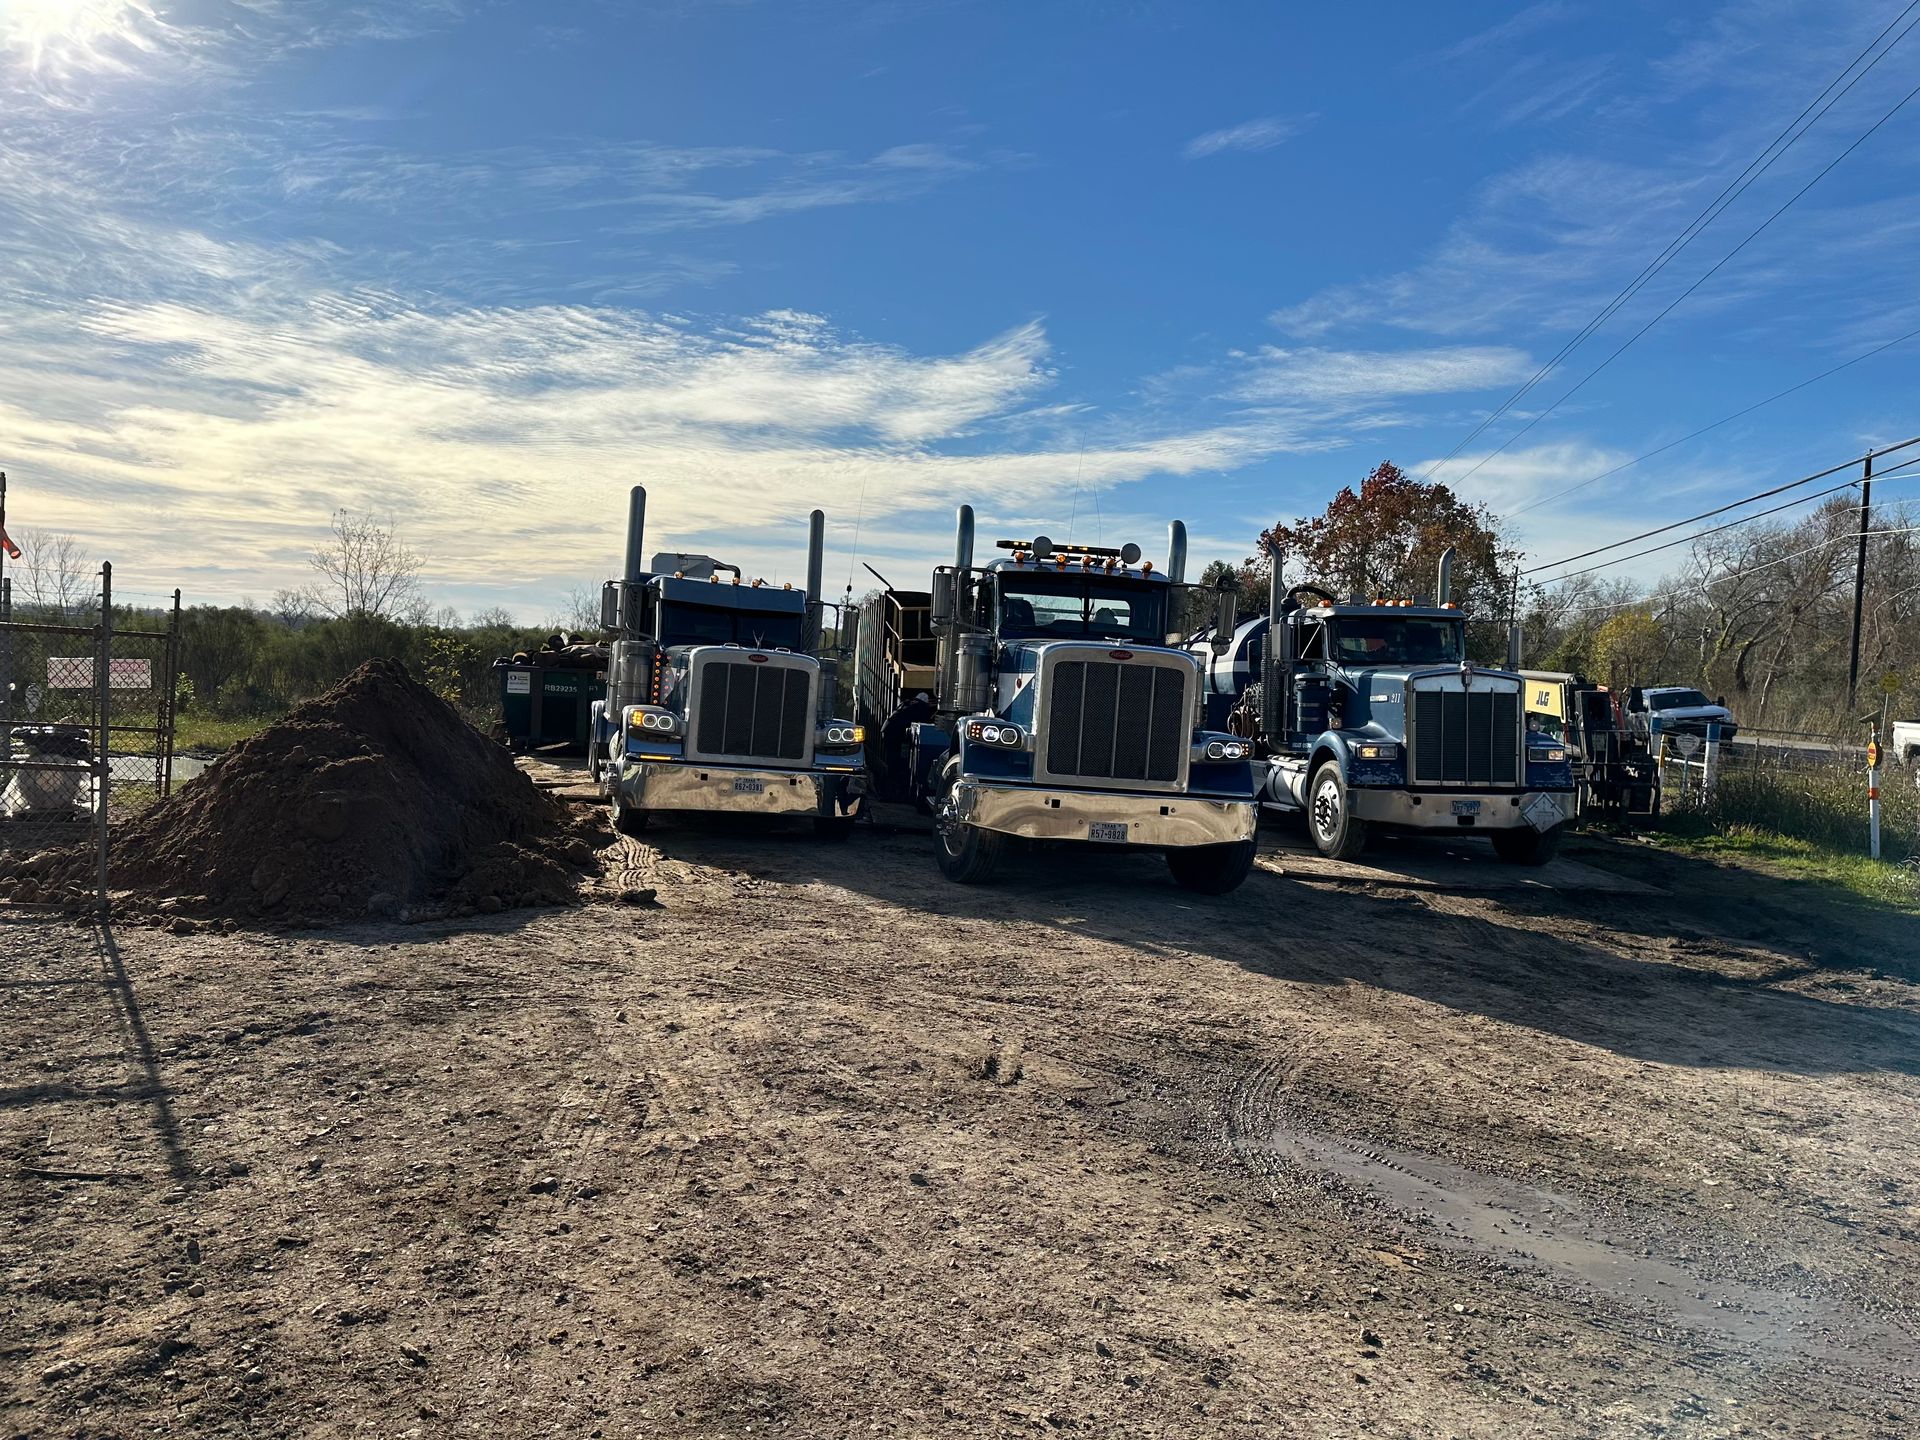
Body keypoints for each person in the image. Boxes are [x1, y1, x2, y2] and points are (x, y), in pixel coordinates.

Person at [881, 691, 934, 801]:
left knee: (891, 760)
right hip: (894, 734)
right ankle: (892, 793)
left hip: (888, 730)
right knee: (894, 762)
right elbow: (923, 723)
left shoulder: (907, 703)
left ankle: (889, 791)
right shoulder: (920, 707)